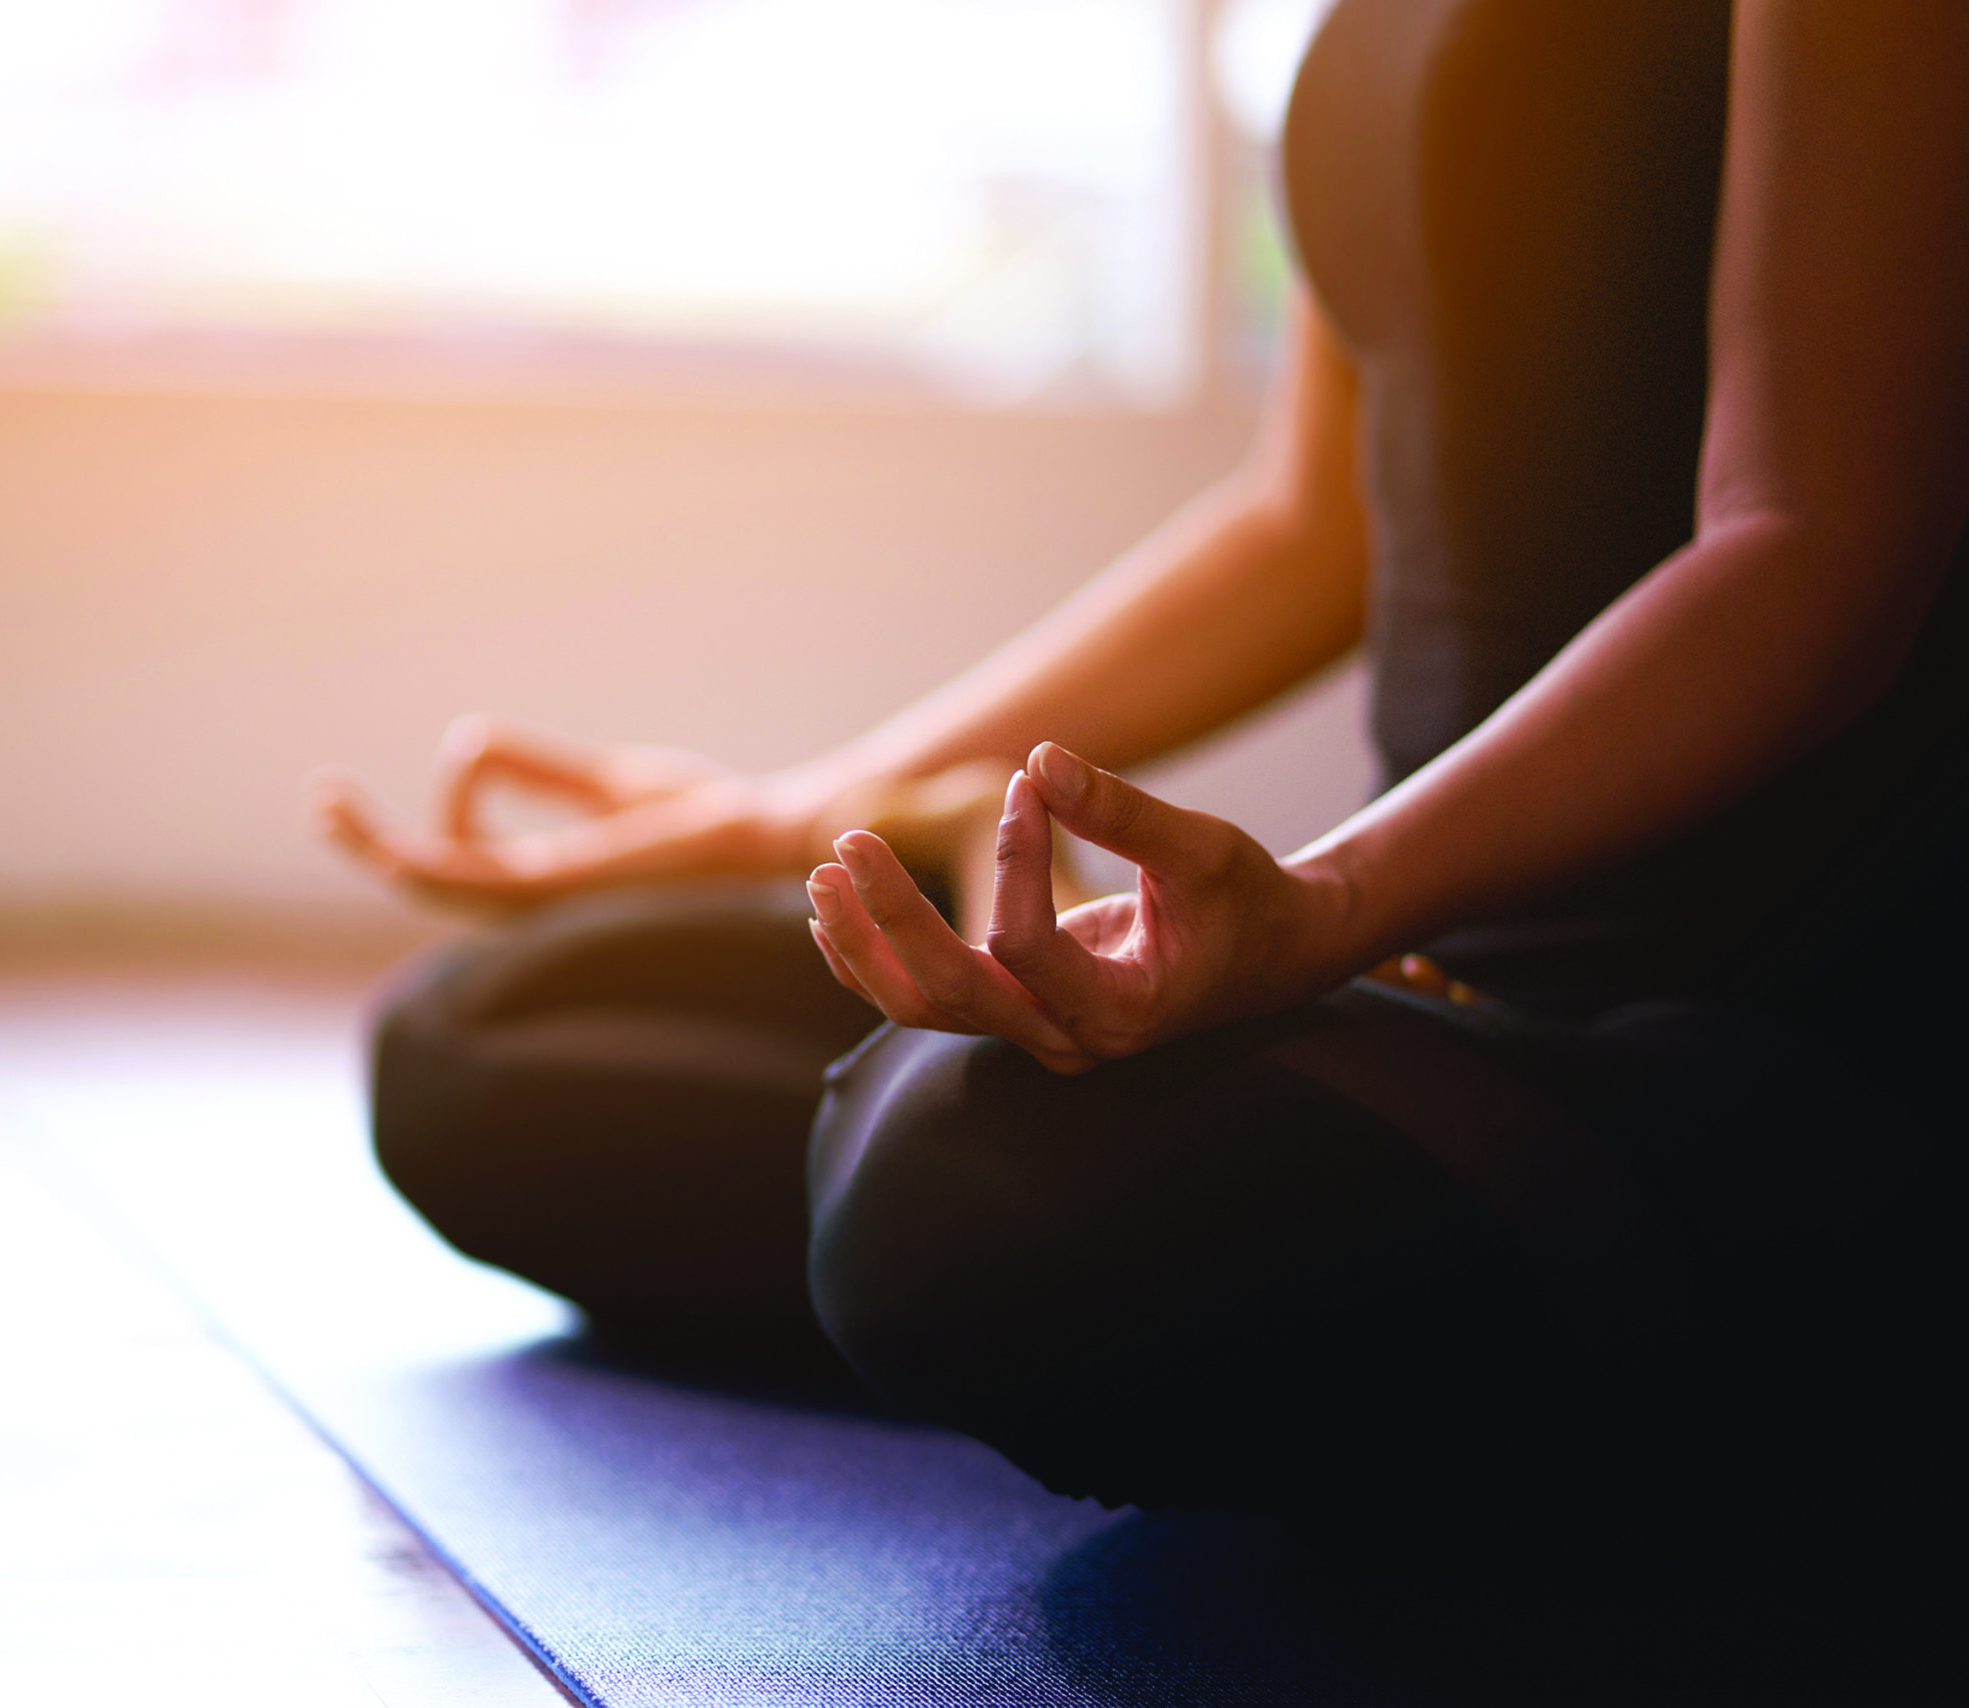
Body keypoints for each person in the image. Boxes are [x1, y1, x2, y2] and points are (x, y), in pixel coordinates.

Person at [315, 0, 1966, 1546]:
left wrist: (1324, 904)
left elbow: (1807, 542)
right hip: (1411, 978)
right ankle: (1271, 1270)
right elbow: (1310, 522)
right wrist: (819, 808)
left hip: (1753, 1033)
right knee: (484, 1045)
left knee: (964, 1177)